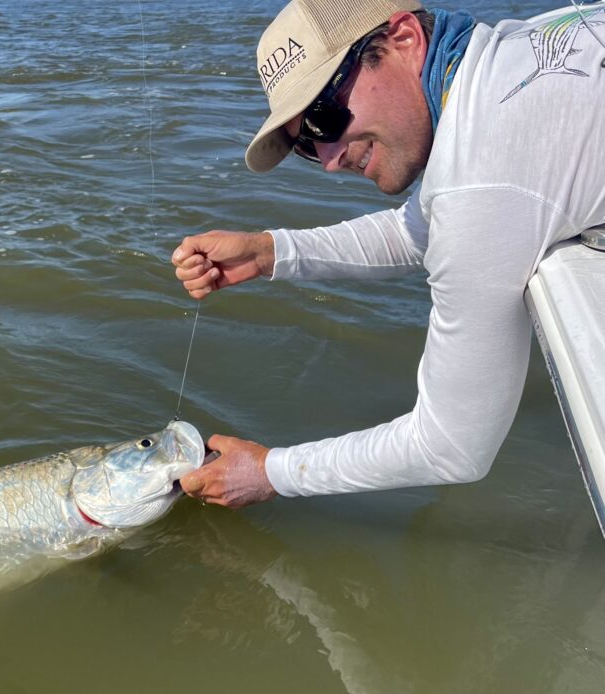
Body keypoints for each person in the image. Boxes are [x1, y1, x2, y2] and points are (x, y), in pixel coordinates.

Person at [174, 0, 605, 506]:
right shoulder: (510, 53)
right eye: (306, 147)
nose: (330, 160)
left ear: (403, 40)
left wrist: (270, 473)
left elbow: (452, 445)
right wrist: (270, 253)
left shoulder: (483, 174)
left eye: (322, 117)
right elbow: (428, 228)